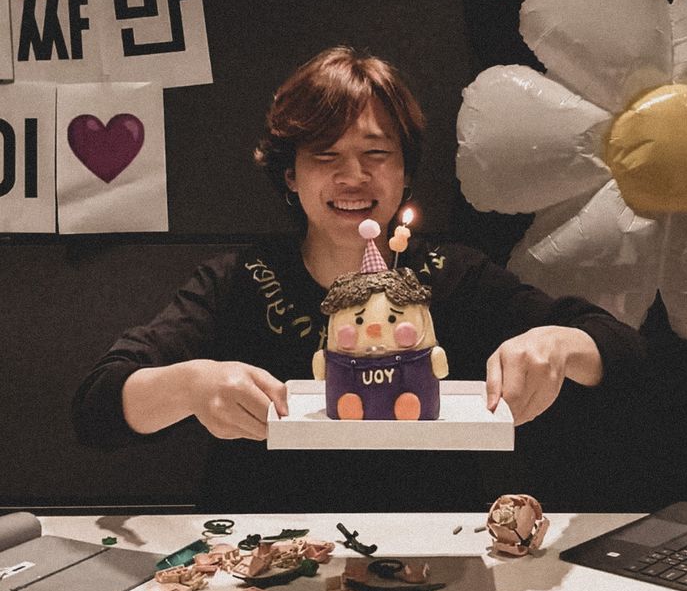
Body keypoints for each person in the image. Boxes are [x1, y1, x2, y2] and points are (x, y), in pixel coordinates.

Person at [73, 46, 645, 512]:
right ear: (290, 175)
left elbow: (626, 357)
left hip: (433, 561)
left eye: (377, 153)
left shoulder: (451, 276)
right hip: (263, 567)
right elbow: (97, 408)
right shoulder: (240, 281)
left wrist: (563, 345)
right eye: (325, 156)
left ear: (404, 172)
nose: (353, 176)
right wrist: (188, 385)